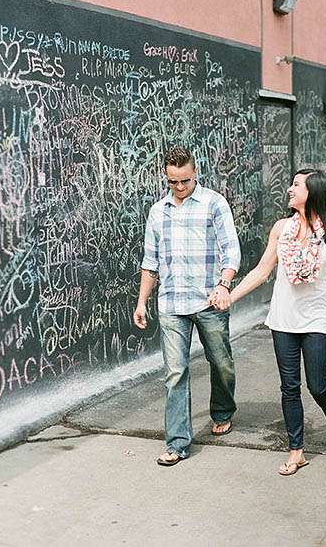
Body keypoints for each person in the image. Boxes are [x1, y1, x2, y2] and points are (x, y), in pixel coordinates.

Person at [225, 169, 326, 475]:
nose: (290, 188)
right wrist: (231, 295)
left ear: (313, 191)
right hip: (283, 319)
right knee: (289, 387)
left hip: (317, 320)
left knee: (317, 385)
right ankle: (297, 451)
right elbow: (261, 271)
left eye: (296, 184)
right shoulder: (282, 228)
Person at [134, 146, 241, 466]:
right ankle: (178, 443)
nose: (179, 188)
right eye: (172, 182)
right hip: (171, 303)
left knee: (221, 362)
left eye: (185, 181)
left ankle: (222, 409)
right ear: (165, 178)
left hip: (210, 299)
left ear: (195, 174)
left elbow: (231, 251)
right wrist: (142, 302)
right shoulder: (158, 211)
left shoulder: (214, 203)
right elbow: (150, 262)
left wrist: (224, 285)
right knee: (175, 372)